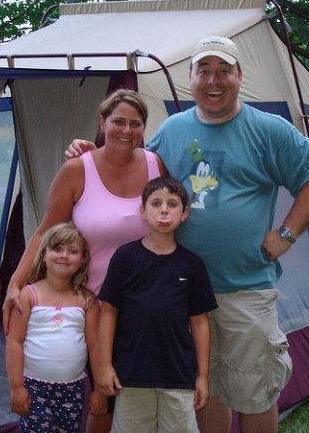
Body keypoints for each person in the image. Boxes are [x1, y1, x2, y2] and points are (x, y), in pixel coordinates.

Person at [65, 36, 309, 433]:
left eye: (224, 71)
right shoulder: (174, 130)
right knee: (204, 390)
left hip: (244, 288)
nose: (214, 81)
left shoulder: (268, 130)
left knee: (256, 391)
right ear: (190, 78)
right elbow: (133, 169)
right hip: (181, 293)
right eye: (204, 71)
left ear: (239, 76)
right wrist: (91, 153)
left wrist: (286, 234)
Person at [3, 89, 166, 432]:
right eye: (118, 121)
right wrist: (16, 284)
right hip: (93, 306)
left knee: (140, 396)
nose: (126, 130)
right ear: (102, 122)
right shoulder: (77, 170)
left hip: (145, 305)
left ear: (144, 129)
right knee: (101, 398)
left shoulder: (155, 165)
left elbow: (170, 222)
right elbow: (45, 233)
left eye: (135, 124)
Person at [97, 176, 217, 433]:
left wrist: (202, 376)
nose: (164, 209)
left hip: (178, 375)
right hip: (131, 375)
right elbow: (108, 312)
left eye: (172, 204)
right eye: (156, 203)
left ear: (184, 214)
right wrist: (105, 365)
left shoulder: (192, 265)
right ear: (143, 211)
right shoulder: (125, 258)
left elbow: (199, 322)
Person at [5, 222, 99, 433]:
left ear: (82, 260)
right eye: (57, 248)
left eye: (72, 251)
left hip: (73, 388)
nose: (64, 255)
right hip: (34, 387)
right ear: (44, 254)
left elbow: (94, 346)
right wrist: (16, 387)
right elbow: (14, 342)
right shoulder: (28, 296)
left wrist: (99, 389)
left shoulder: (87, 301)